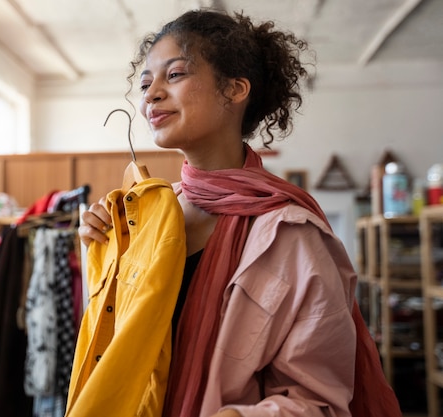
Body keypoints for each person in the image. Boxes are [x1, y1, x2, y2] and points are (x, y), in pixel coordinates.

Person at [70, 8, 401, 417]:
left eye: (174, 75)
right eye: (145, 82)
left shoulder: (292, 234)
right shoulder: (148, 215)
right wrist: (101, 254)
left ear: (234, 89)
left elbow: (318, 401)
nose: (151, 94)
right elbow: (122, 349)